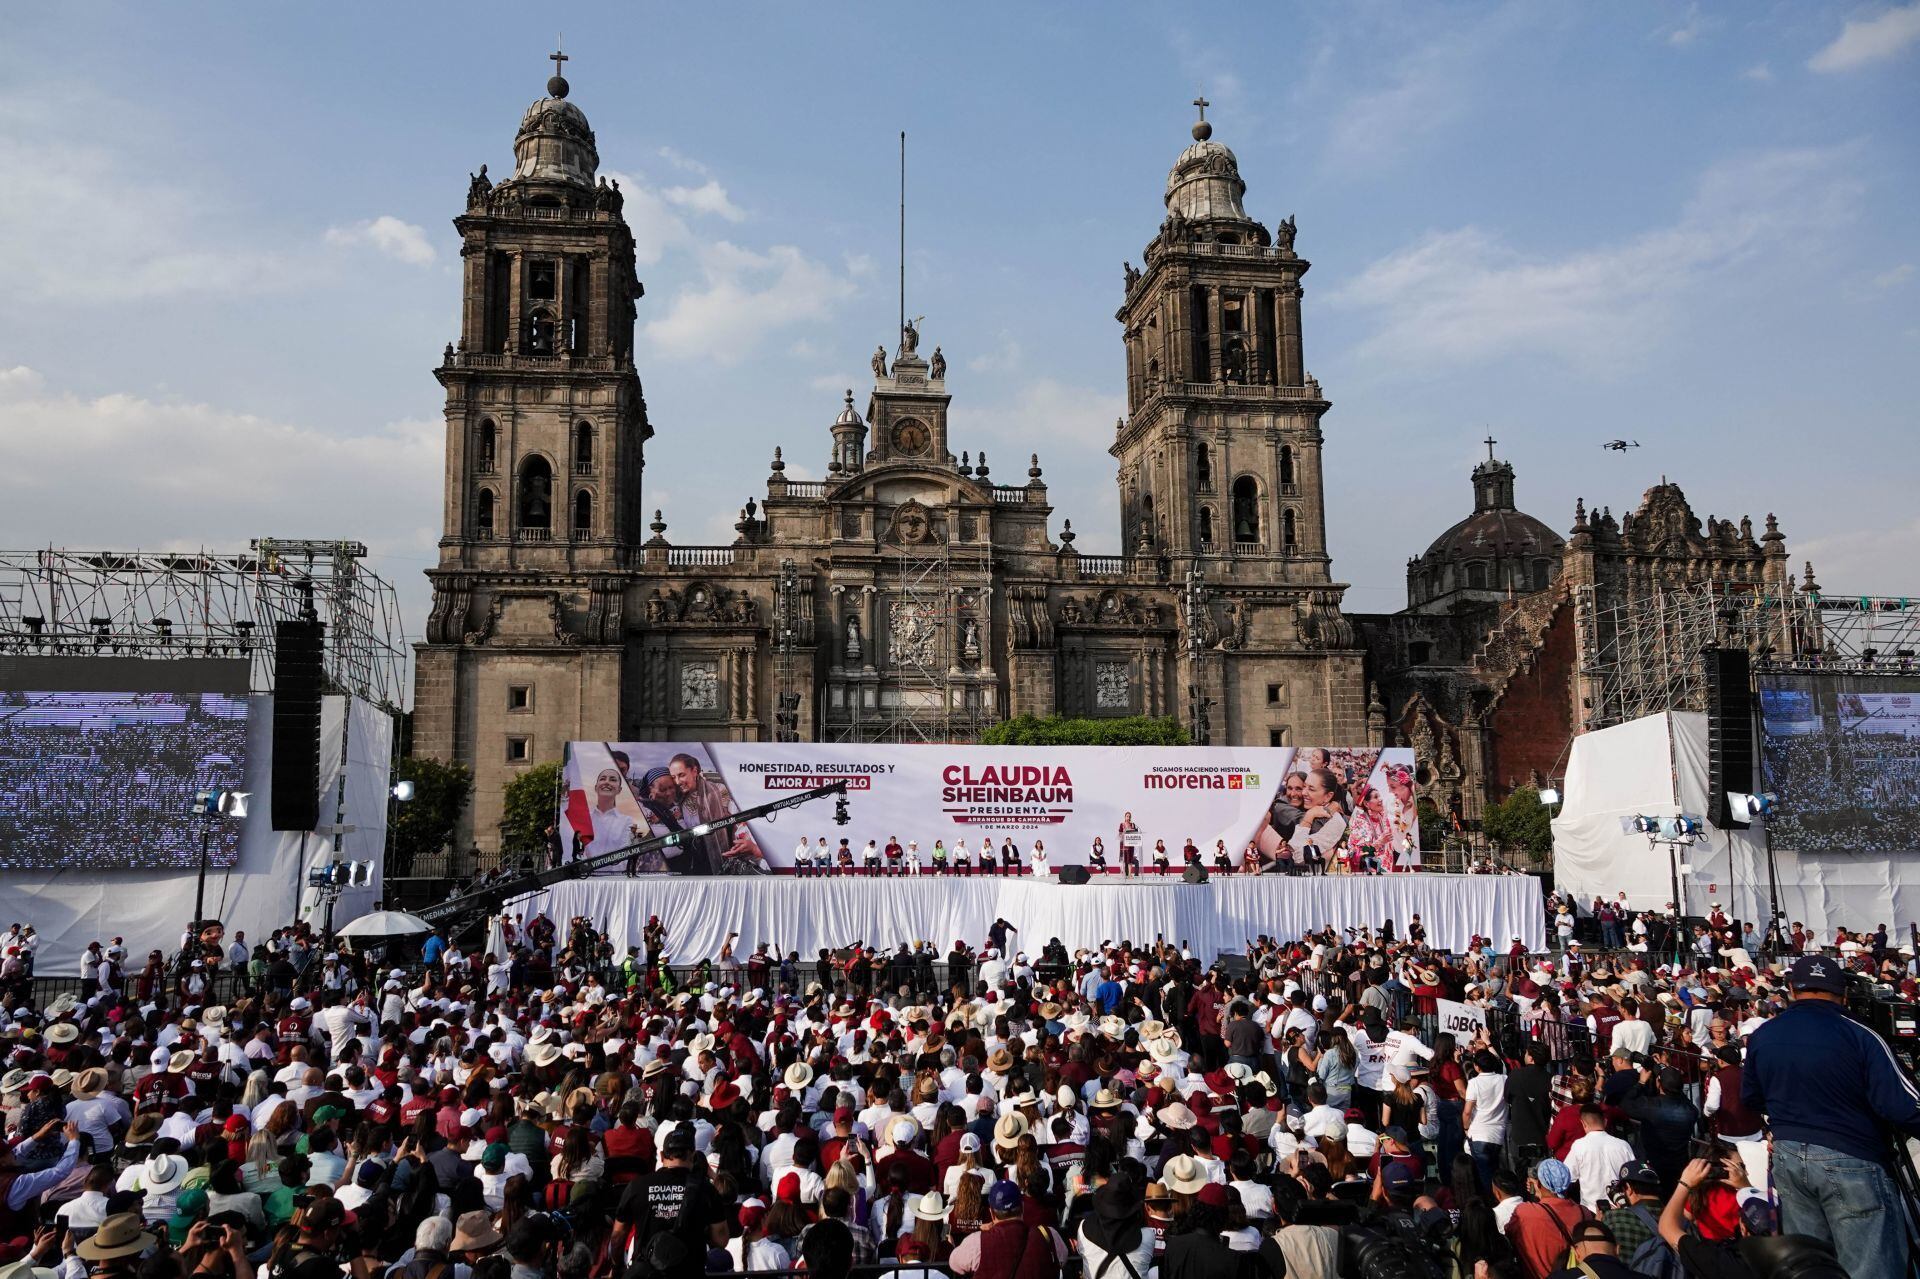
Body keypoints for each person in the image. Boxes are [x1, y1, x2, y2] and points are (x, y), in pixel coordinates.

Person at [1742, 953, 1920, 1279]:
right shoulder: (1861, 1034)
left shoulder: (1764, 1034)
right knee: (1871, 1268)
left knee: (1811, 1266)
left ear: (1793, 990)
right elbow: (1904, 1106)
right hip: (1853, 1159)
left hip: (1789, 1157)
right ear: (1844, 994)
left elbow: (1751, 1097)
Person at [945, 1181, 1065, 1277]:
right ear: (1022, 1207)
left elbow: (954, 1264)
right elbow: (1062, 1258)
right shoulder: (1048, 1235)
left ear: (991, 1212)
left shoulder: (977, 1242)